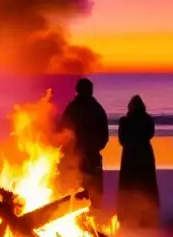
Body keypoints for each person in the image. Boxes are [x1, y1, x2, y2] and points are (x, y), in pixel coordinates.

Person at [60, 77, 110, 204]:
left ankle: (87, 220)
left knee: (77, 192)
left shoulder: (73, 109)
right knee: (93, 193)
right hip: (86, 157)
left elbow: (62, 130)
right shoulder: (97, 109)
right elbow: (104, 136)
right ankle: (93, 220)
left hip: (79, 157)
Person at [117, 95, 160, 227]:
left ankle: (128, 215)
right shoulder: (147, 119)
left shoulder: (125, 121)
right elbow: (150, 134)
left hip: (131, 155)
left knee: (129, 185)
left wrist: (131, 143)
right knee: (145, 184)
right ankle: (146, 215)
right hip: (144, 154)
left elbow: (122, 139)